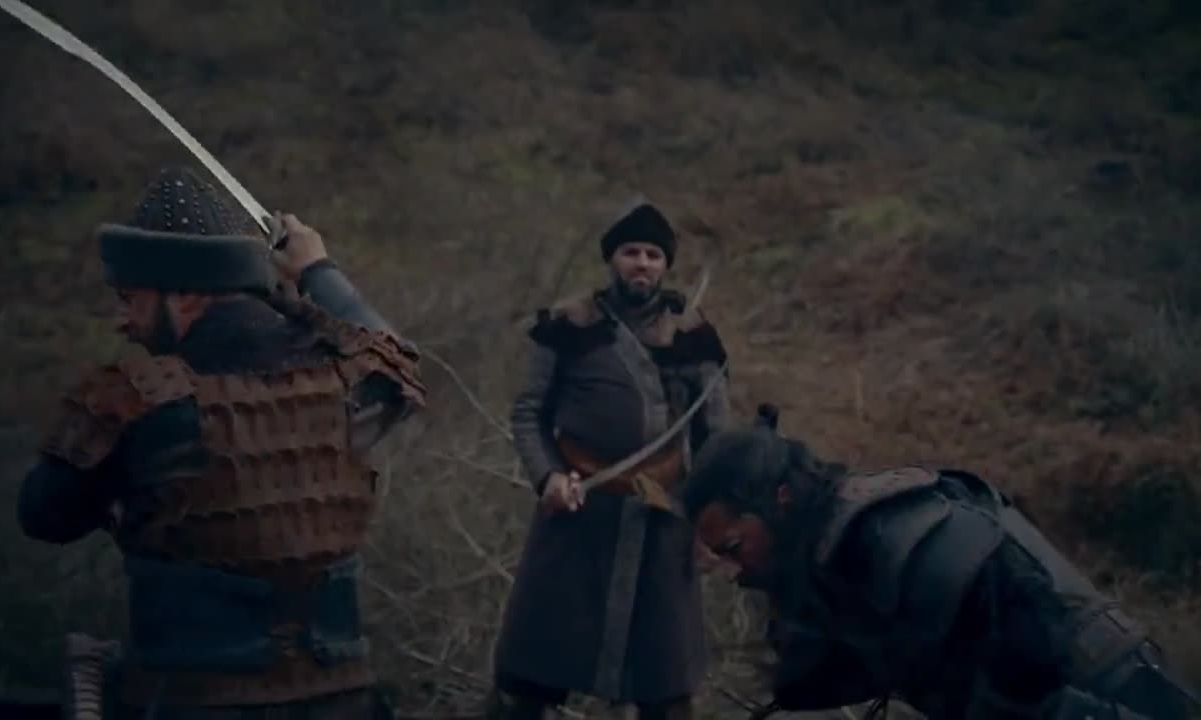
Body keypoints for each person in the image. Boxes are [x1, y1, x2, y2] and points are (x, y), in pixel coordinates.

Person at [15, 167, 427, 720]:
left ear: (185, 294)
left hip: (194, 706)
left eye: (130, 298)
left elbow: (42, 514)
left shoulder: (136, 399)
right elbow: (398, 364)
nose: (121, 321)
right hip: (342, 703)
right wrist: (316, 274)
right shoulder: (340, 381)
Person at [681, 405, 1200, 719]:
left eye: (733, 547)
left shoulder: (905, 537)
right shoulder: (824, 555)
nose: (736, 569)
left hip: (1104, 687)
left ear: (781, 500)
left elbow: (1030, 651)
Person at [490, 200, 732, 720]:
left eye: (652, 255)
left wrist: (711, 520)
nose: (642, 263)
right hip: (579, 511)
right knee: (527, 679)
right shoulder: (567, 325)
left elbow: (715, 436)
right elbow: (529, 413)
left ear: (664, 266)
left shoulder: (693, 334)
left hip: (662, 518)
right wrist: (548, 477)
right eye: (631, 252)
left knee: (665, 686)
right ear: (612, 259)